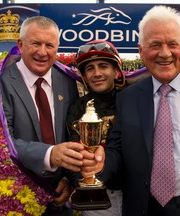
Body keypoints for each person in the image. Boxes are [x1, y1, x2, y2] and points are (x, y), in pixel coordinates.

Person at [80, 5, 180, 216]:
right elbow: (117, 150)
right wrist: (100, 164)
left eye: (172, 44)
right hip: (141, 207)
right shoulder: (128, 98)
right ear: (141, 50)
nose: (165, 53)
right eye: (155, 45)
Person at [0, 16, 85, 215]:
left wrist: (68, 179)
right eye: (36, 43)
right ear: (20, 45)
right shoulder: (0, 84)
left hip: (59, 198)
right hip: (15, 197)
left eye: (50, 45)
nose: (42, 52)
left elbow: (72, 134)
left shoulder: (67, 81)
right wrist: (50, 154)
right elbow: (0, 142)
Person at [66, 40, 125, 216]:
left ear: (116, 72)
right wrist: (81, 183)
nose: (97, 73)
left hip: (135, 192)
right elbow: (72, 150)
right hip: (95, 197)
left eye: (103, 66)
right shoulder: (77, 108)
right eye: (90, 68)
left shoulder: (131, 100)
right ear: (84, 76)